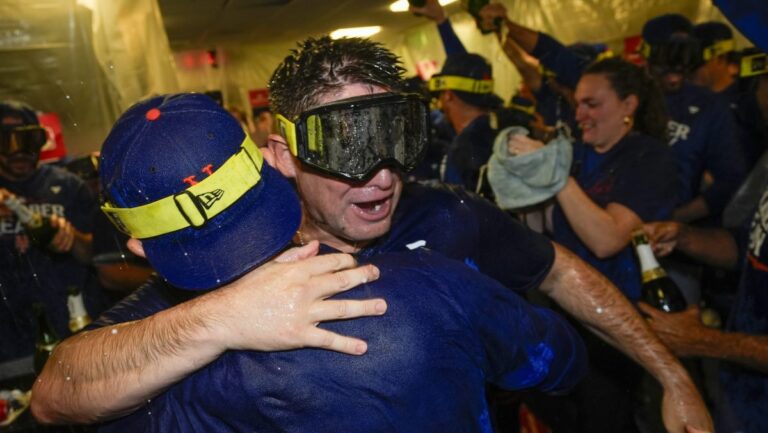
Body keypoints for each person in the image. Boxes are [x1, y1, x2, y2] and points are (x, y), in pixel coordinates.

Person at [33, 36, 713, 433]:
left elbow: (558, 270)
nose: (383, 175)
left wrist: (671, 374)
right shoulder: (226, 262)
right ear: (282, 156)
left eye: (395, 139)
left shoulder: (445, 214)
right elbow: (61, 384)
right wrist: (224, 316)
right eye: (347, 147)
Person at [48, 92, 588, 432]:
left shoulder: (151, 384)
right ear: (270, 166)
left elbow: (54, 396)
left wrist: (212, 322)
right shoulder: (437, 283)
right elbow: (563, 363)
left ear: (139, 245)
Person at [493, 56, 679, 432]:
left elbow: (607, 240)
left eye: (592, 104)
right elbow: (545, 229)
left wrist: (555, 175)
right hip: (567, 313)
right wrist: (523, 185)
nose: (580, 115)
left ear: (629, 105)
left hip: (618, 323)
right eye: (577, 104)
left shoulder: (648, 158)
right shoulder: (577, 153)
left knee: (610, 419)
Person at [641, 62, 768, 433]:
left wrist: (704, 341)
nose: (758, 95)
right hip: (742, 394)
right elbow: (746, 246)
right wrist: (684, 236)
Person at [0, 100, 105, 380]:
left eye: (28, 140)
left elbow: (99, 258)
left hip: (70, 337)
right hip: (8, 350)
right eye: (6, 141)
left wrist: (71, 238)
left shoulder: (68, 186)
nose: (18, 151)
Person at [641, 13, 746, 223]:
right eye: (665, 58)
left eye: (683, 56)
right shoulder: (626, 95)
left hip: (675, 229)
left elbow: (730, 180)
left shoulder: (709, 106)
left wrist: (675, 219)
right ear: (648, 58)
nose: (674, 70)